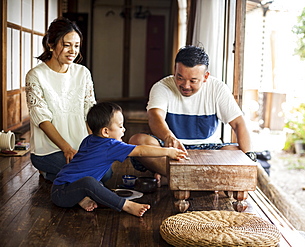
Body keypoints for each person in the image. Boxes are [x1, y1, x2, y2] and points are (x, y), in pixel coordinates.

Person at [129, 45, 254, 186]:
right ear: (175, 71)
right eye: (180, 78)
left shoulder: (218, 89)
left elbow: (239, 123)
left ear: (205, 76)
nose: (185, 85)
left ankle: (174, 177)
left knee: (236, 151)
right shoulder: (162, 87)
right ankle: (200, 180)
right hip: (171, 150)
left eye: (193, 81)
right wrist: (169, 137)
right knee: (137, 141)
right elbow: (155, 117)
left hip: (209, 151)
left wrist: (249, 157)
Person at [51, 102, 187, 216]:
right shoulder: (111, 145)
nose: (124, 129)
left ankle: (83, 198)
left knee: (96, 184)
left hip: (65, 187)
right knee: (89, 182)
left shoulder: (89, 140)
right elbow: (140, 150)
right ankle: (126, 205)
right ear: (105, 132)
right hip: (62, 193)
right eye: (120, 126)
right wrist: (168, 151)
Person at [25, 17, 110, 182]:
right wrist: (66, 148)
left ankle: (54, 175)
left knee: (106, 174)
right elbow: (42, 119)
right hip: (49, 150)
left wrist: (95, 146)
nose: (73, 51)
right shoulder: (36, 75)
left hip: (80, 148)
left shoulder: (82, 73)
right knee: (88, 175)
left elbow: (89, 111)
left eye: (76, 46)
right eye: (67, 45)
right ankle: (51, 170)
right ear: (51, 44)